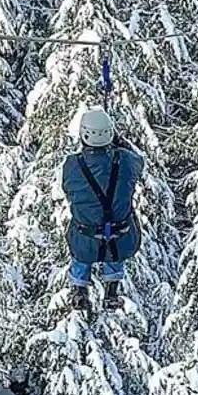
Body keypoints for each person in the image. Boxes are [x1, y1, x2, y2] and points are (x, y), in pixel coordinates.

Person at [61, 106, 143, 310]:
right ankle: (112, 289)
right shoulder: (126, 160)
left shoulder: (72, 165)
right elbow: (139, 162)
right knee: (114, 241)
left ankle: (80, 288)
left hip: (85, 240)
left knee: (82, 238)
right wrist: (120, 143)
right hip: (121, 238)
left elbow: (68, 188)